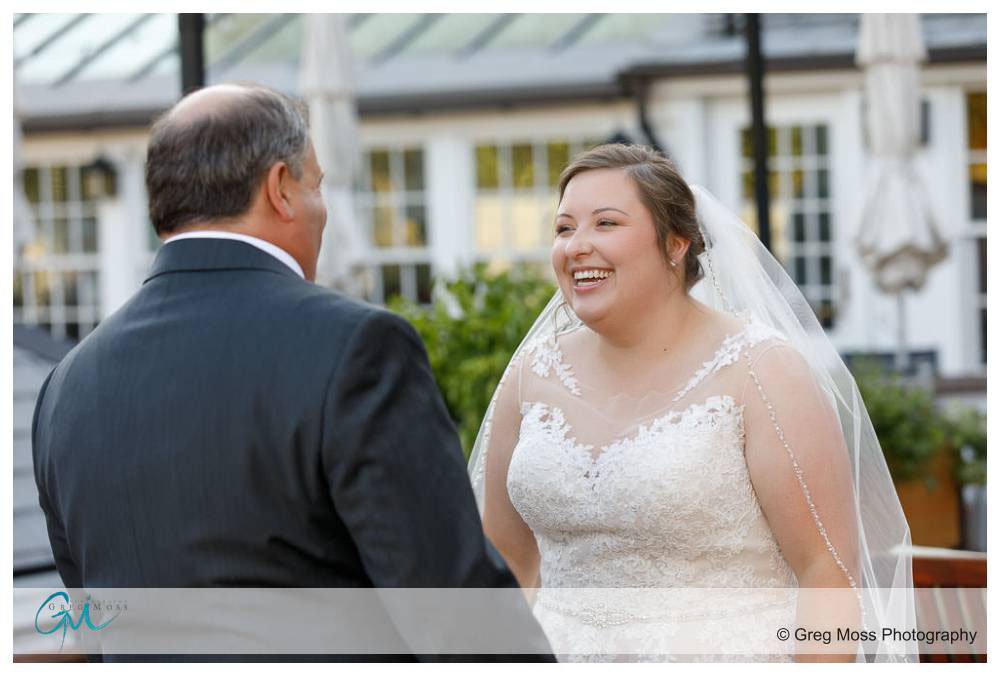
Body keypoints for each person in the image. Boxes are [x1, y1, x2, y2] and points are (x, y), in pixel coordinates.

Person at [31, 83, 553, 661]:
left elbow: (93, 619)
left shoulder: (66, 386)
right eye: (317, 184)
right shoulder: (356, 346)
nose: (320, 207)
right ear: (280, 188)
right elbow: (453, 611)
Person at [469, 144, 916, 662]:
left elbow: (827, 574)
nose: (576, 246)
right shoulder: (532, 375)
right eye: (564, 228)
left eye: (606, 224)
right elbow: (504, 565)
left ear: (676, 243)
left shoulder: (761, 371)